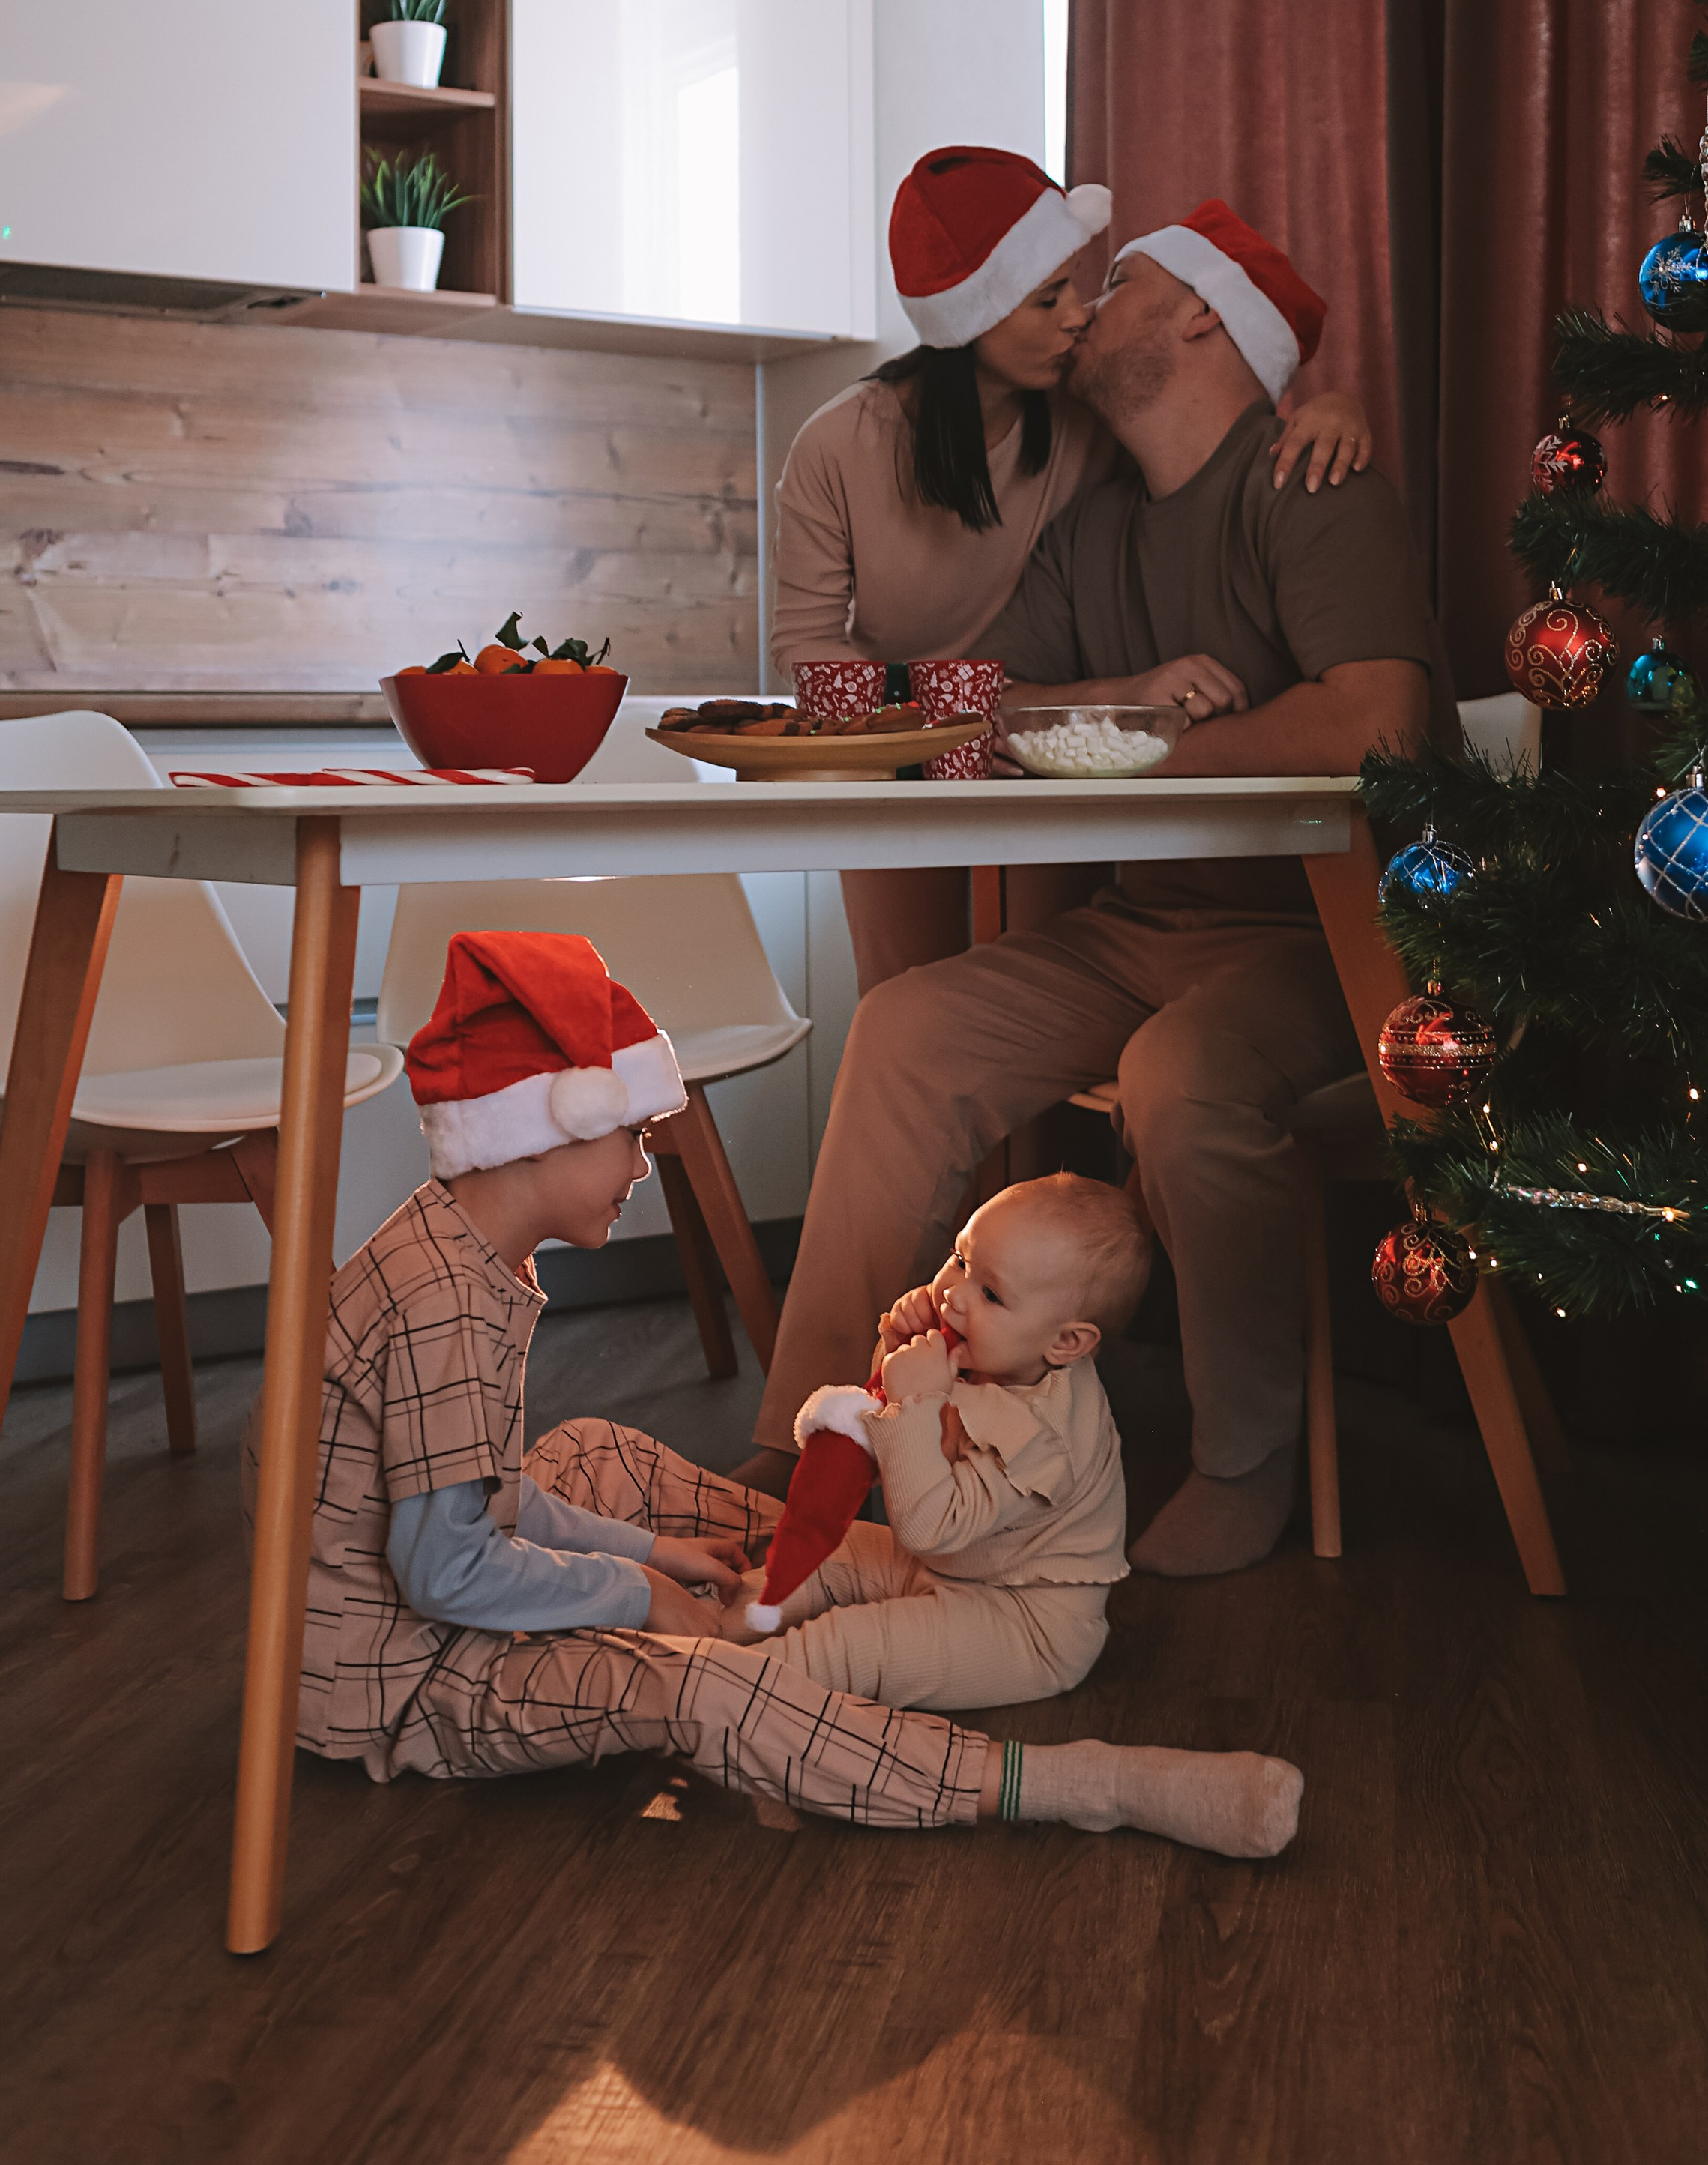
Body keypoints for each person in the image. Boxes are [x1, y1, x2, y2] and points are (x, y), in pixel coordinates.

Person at [740, 200, 1458, 1580]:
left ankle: (1244, 1456)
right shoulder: (1092, 529)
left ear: (1201, 320)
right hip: (1136, 930)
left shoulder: (1311, 482)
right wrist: (1114, 707)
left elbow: (1379, 727)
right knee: (902, 1030)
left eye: (1116, 284)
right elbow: (987, 712)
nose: (1084, 308)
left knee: (1179, 1071)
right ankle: (806, 1437)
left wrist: (1143, 743)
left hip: (1322, 942)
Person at [254, 926, 1303, 1858]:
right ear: (555, 1128)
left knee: (593, 1455)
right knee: (715, 1687)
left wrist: (658, 1554)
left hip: (430, 1600)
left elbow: (477, 1501)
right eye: (635, 1135)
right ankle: (1079, 1786)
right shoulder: (446, 1308)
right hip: (409, 1682)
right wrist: (642, 1597)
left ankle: (806, 1574)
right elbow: (442, 1572)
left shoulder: (458, 1251)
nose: (644, 1163)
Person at [771, 145, 1374, 991]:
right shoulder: (836, 446)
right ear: (974, 317)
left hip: (1048, 758)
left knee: (1026, 996)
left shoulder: (1087, 420)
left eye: (1079, 288)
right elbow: (804, 651)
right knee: (903, 1000)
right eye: (1048, 297)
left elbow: (1216, 426)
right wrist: (937, 735)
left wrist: (1330, 404)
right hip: (898, 757)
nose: (1079, 317)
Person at [723, 1173, 1148, 1711]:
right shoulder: (1000, 1355)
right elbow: (891, 1446)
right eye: (961, 1260)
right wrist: (896, 1353)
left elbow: (928, 1524)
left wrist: (914, 1402)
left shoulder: (1044, 1436)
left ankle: (706, 1686)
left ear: (1066, 1342)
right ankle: (702, 1630)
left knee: (853, 1645)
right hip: (956, 1567)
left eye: (990, 1294)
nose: (954, 1295)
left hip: (1022, 1622)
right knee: (832, 1554)